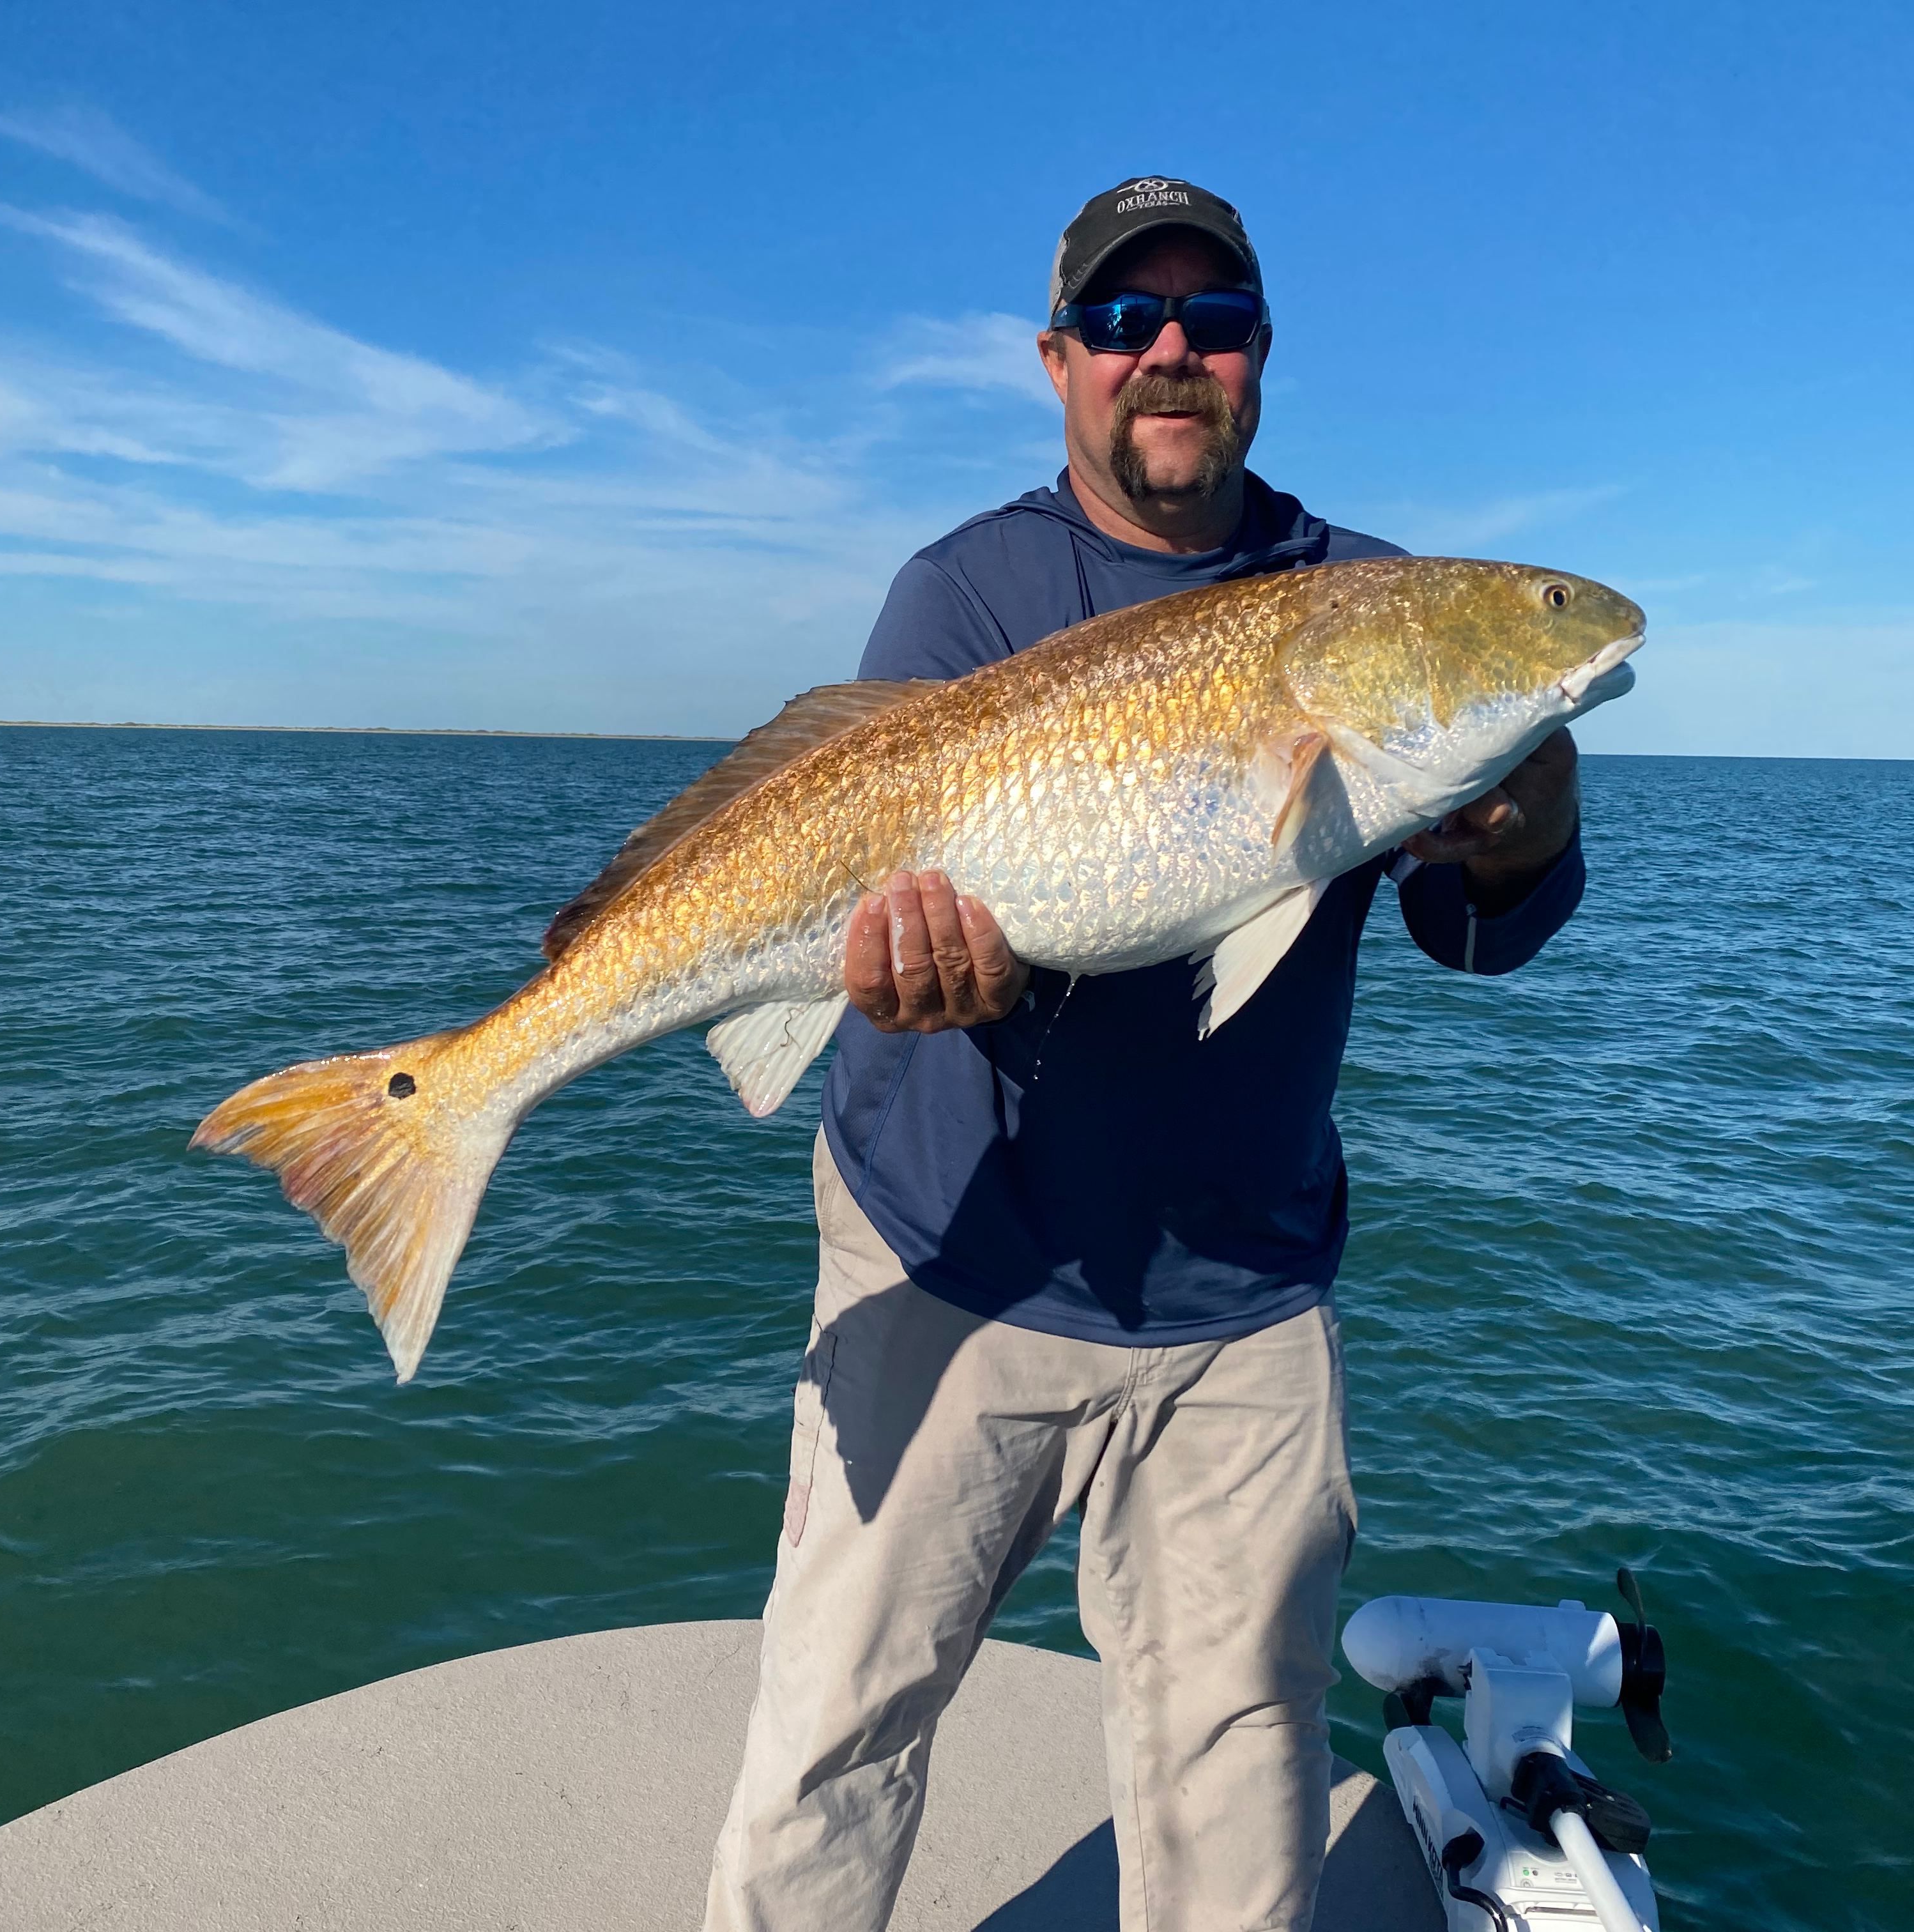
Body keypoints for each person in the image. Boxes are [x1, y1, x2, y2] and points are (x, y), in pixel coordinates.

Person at [703, 176, 1585, 1932]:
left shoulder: (1369, 605)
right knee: (829, 1747)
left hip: (1243, 1304)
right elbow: (891, 907)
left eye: (1215, 323)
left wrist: (1530, 819)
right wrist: (904, 975)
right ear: (1060, 364)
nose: (1170, 355)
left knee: (1235, 1810)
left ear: (1263, 359)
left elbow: (1479, 929)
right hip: (950, 1253)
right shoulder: (964, 591)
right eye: (1128, 323)